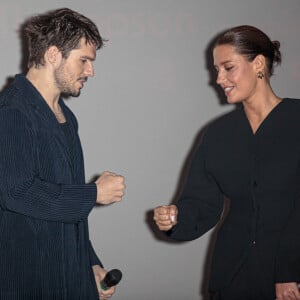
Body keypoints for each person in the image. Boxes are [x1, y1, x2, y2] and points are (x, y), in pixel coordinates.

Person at [154, 25, 300, 300]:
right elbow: (202, 203)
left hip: (289, 279)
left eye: (228, 67)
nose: (219, 79)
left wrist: (288, 271)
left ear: (258, 64)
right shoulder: (217, 134)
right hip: (232, 277)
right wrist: (174, 218)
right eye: (216, 70)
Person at [0, 8, 125, 300]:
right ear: (54, 54)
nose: (91, 71)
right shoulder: (12, 112)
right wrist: (93, 193)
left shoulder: (65, 116)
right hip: (30, 285)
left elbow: (65, 206)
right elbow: (16, 192)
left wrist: (89, 263)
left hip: (70, 280)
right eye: (84, 60)